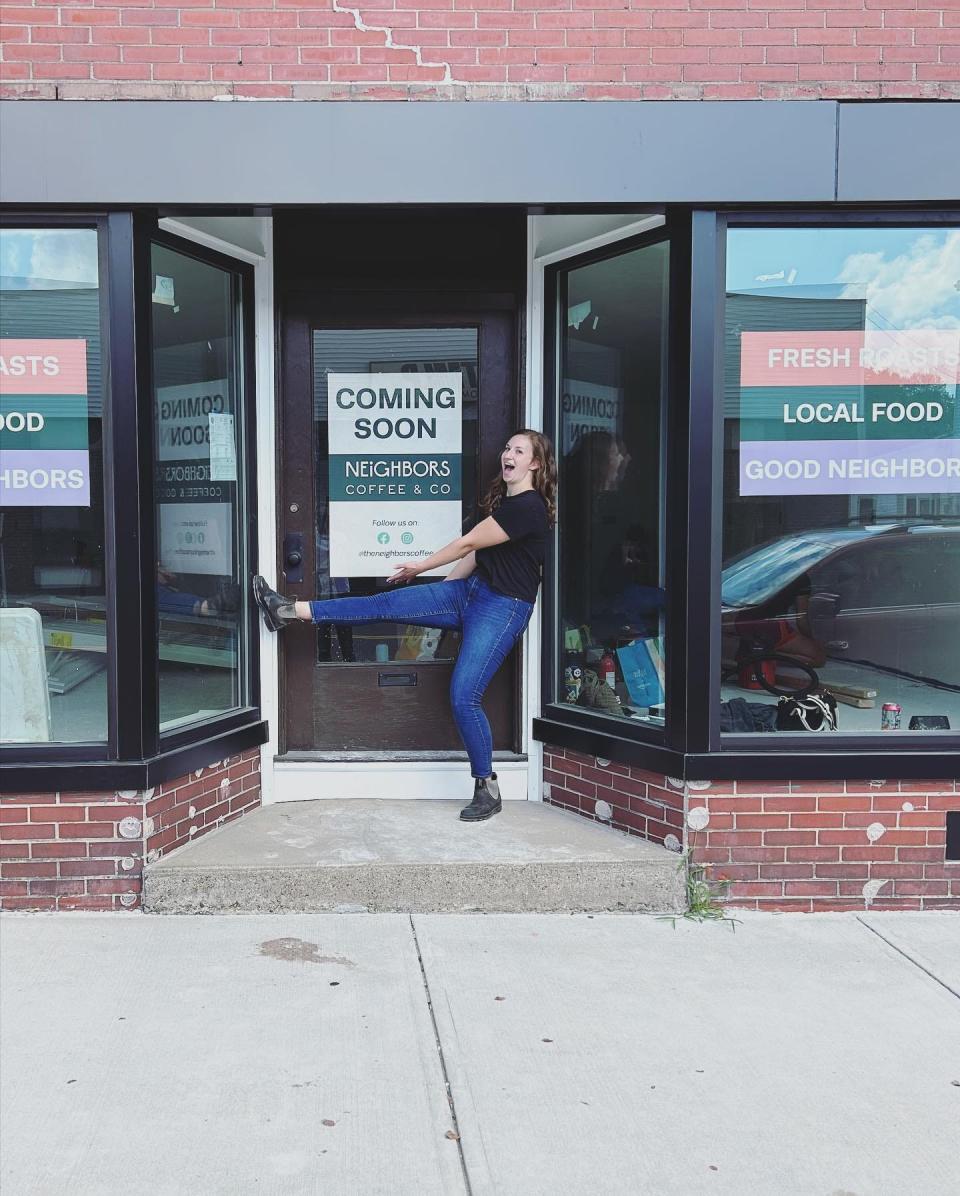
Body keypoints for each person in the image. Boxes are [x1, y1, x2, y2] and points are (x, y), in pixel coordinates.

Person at [253, 430, 557, 823]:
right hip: (469, 593)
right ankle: (288, 611)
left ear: (535, 463)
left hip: (503, 609)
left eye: (519, 450)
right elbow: (477, 553)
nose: (508, 454)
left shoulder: (529, 508)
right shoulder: (505, 504)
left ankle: (487, 786)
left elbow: (466, 544)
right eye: (507, 447)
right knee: (382, 603)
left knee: (464, 696)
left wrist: (419, 568)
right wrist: (440, 599)